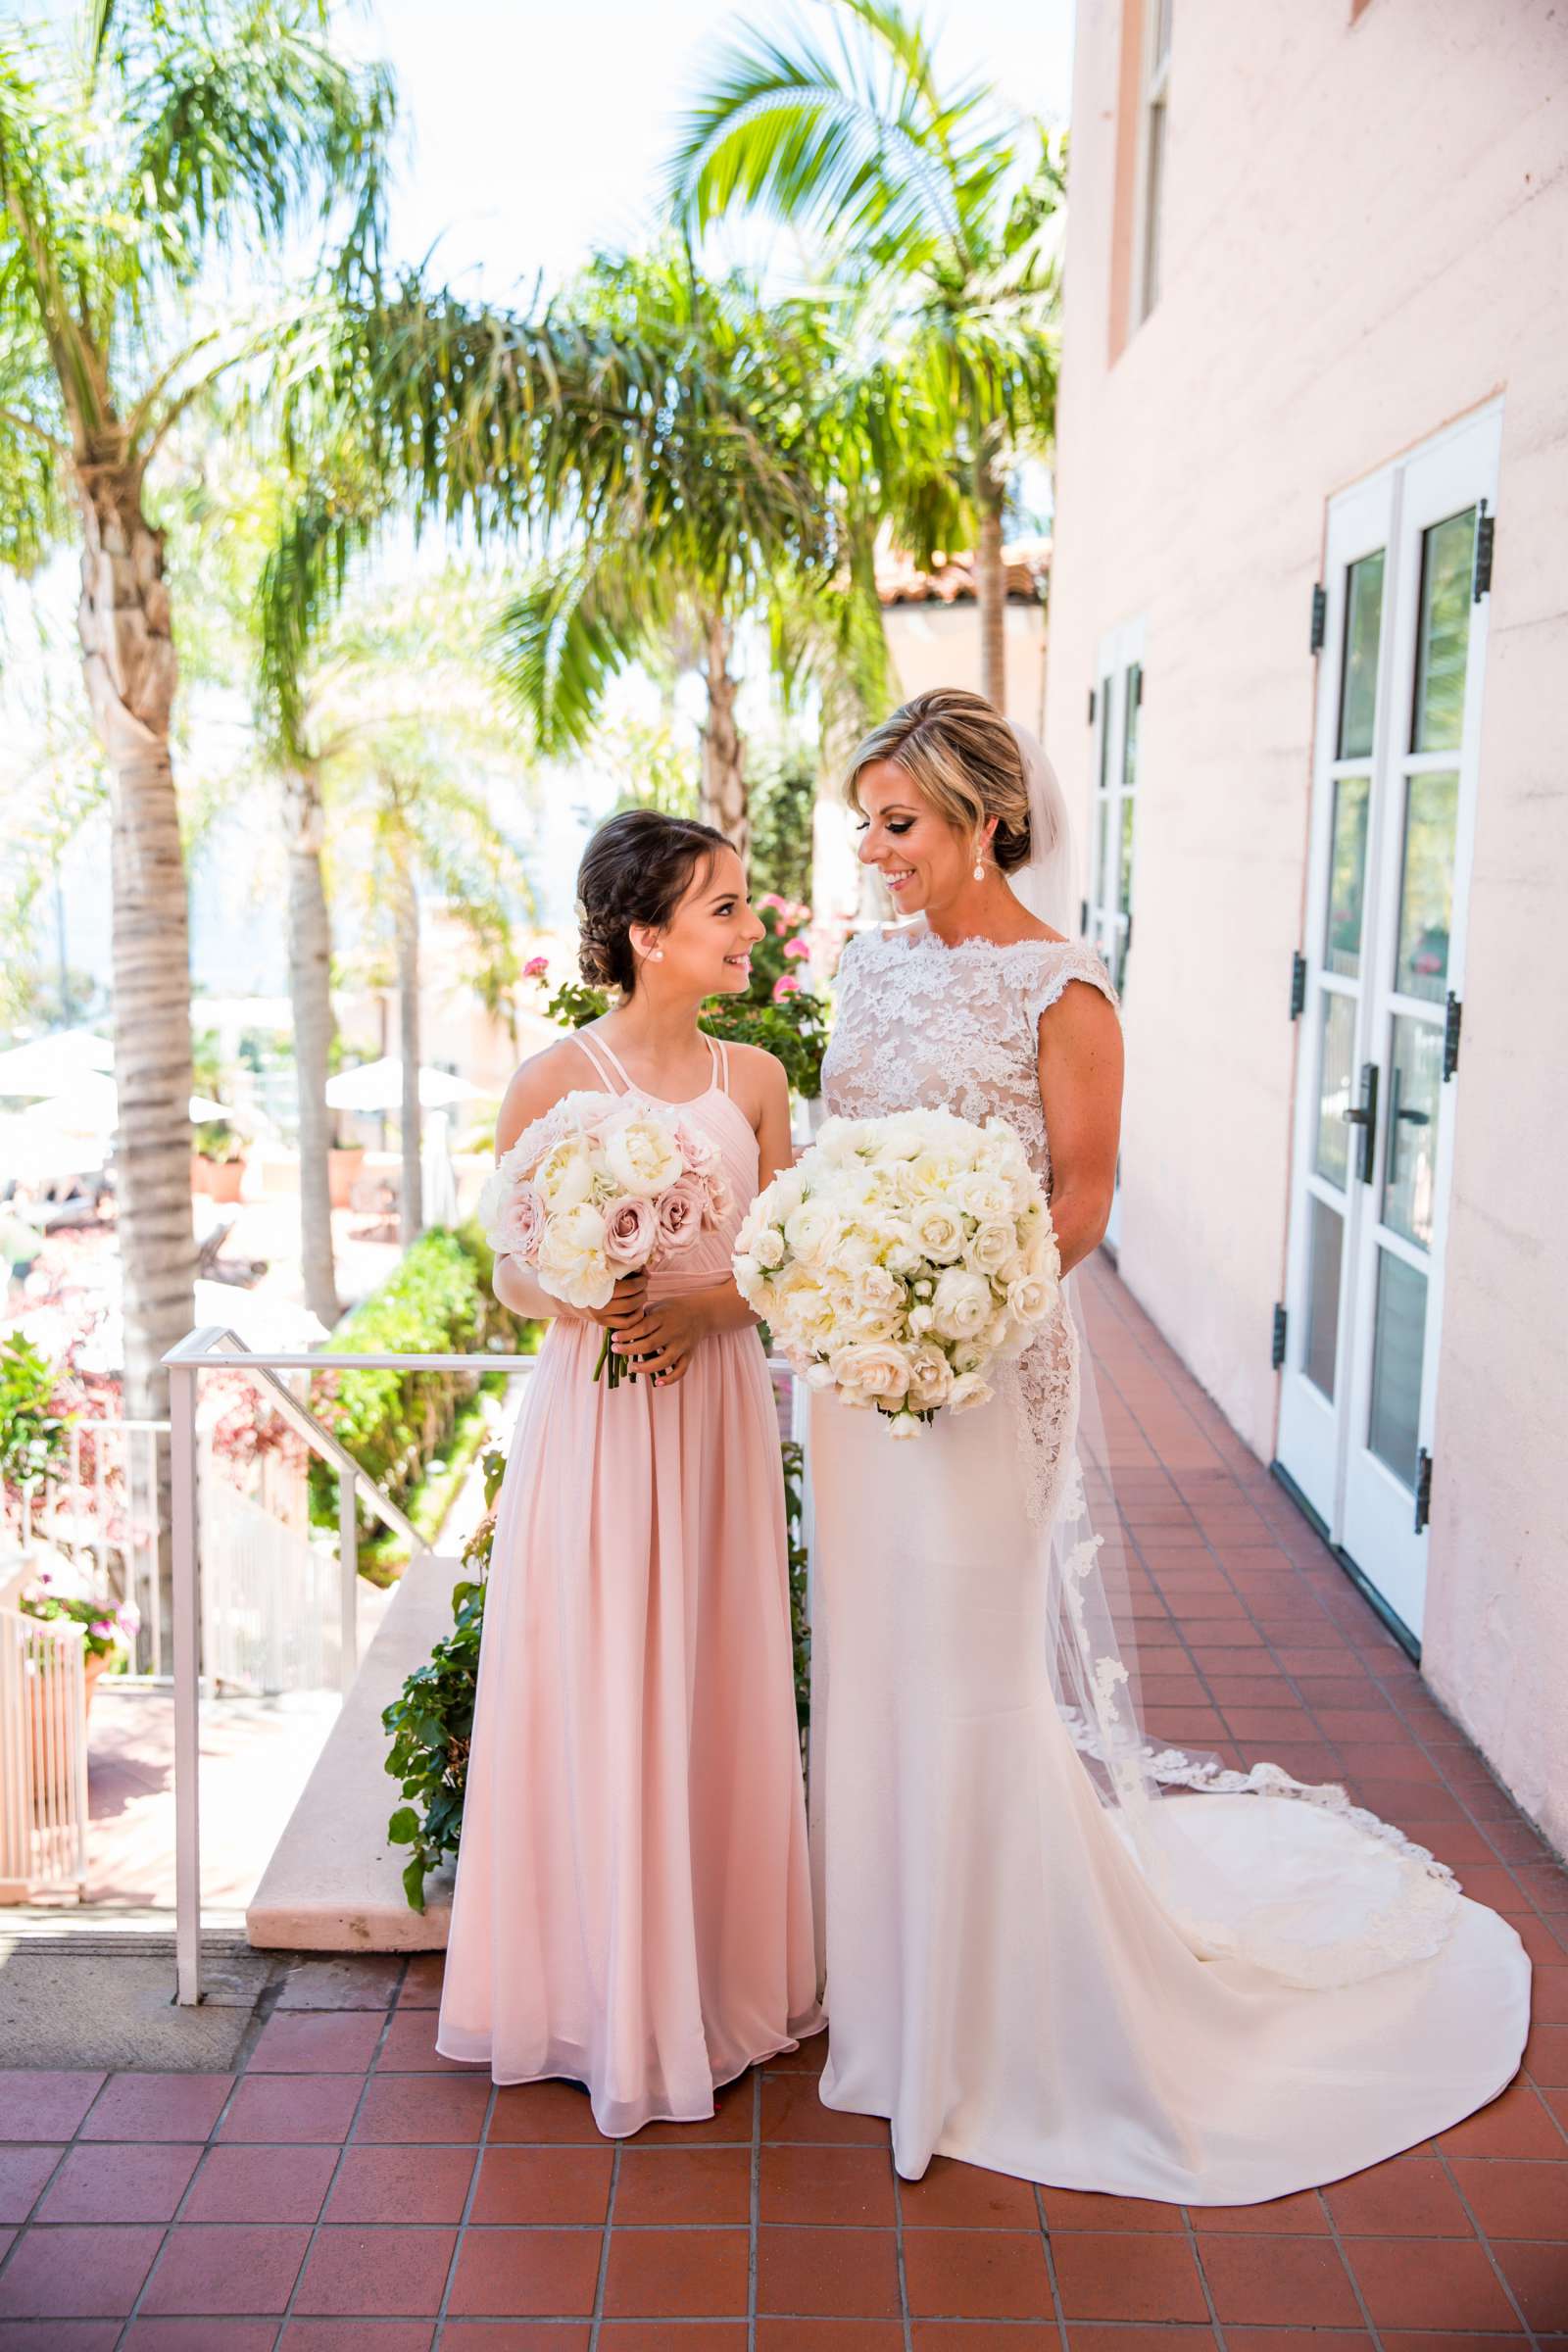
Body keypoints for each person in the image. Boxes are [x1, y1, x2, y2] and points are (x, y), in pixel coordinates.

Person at [807, 687, 1530, 2202]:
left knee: (968, 1669)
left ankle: (1006, 2017)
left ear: (984, 820)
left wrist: (961, 1328)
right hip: (853, 1374)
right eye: (866, 823)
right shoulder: (865, 973)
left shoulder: (1063, 992)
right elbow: (836, 1160)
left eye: (901, 824)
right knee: (873, 1662)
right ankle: (888, 1994)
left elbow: (1079, 1198)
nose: (874, 851)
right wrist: (841, 1297)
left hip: (986, 1370)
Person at [437, 809, 820, 2134]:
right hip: (596, 1426)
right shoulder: (553, 1078)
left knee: (711, 1669)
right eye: (722, 907)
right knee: (599, 1674)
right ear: (648, 934)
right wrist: (594, 1294)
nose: (748, 925)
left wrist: (709, 1309)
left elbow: (791, 1265)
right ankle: (598, 1996)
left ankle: (712, 1980)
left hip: (711, 1410)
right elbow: (503, 1264)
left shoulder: (755, 1083)